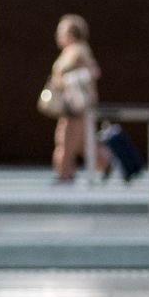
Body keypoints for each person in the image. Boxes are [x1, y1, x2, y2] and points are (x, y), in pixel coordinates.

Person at [44, 13, 107, 184]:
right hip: (71, 104)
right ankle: (106, 165)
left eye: (61, 32)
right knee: (82, 142)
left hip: (76, 105)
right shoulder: (72, 51)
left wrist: (66, 78)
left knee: (66, 140)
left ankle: (64, 174)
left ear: (71, 34)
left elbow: (93, 72)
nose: (58, 36)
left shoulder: (78, 50)